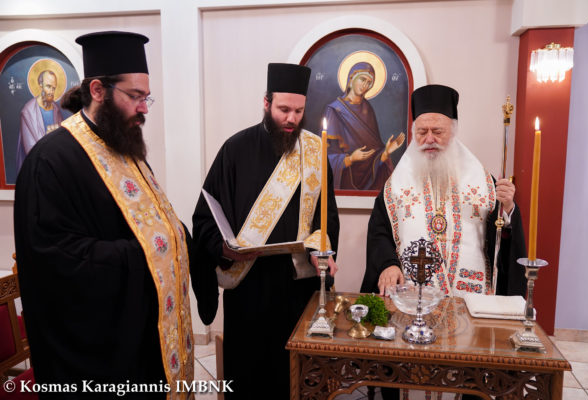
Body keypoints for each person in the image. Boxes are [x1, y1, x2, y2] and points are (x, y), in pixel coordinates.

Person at [14, 31, 195, 399]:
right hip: (101, 354)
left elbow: (156, 224)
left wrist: (186, 242)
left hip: (144, 333)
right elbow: (55, 259)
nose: (144, 108)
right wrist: (145, 253)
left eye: (146, 98)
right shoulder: (51, 160)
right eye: (135, 96)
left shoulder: (124, 149)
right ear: (98, 90)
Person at [360, 84, 526, 400]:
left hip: (468, 299)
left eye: (438, 131)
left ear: (453, 130)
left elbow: (502, 236)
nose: (429, 139)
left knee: (466, 379)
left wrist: (508, 209)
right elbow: (379, 231)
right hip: (411, 300)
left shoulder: (483, 181)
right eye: (422, 132)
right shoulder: (396, 185)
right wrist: (388, 264)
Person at [192, 63, 340, 399]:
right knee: (250, 375)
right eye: (283, 109)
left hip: (298, 287)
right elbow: (205, 217)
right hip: (249, 287)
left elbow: (327, 218)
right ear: (266, 103)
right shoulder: (235, 149)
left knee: (297, 376)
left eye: (298, 111)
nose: (291, 119)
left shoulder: (315, 151)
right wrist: (222, 248)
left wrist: (324, 250)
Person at [323, 61, 404, 191]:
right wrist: (350, 159)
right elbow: (325, 156)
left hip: (369, 177)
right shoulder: (334, 110)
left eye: (369, 82)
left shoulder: (367, 108)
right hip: (345, 177)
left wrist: (385, 152)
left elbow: (374, 152)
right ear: (351, 79)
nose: (365, 85)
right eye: (362, 79)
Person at [16, 69, 64, 173]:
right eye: (48, 86)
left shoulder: (56, 109)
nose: (51, 92)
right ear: (40, 85)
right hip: (36, 169)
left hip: (55, 166)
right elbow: (30, 149)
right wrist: (50, 137)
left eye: (54, 88)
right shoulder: (28, 111)